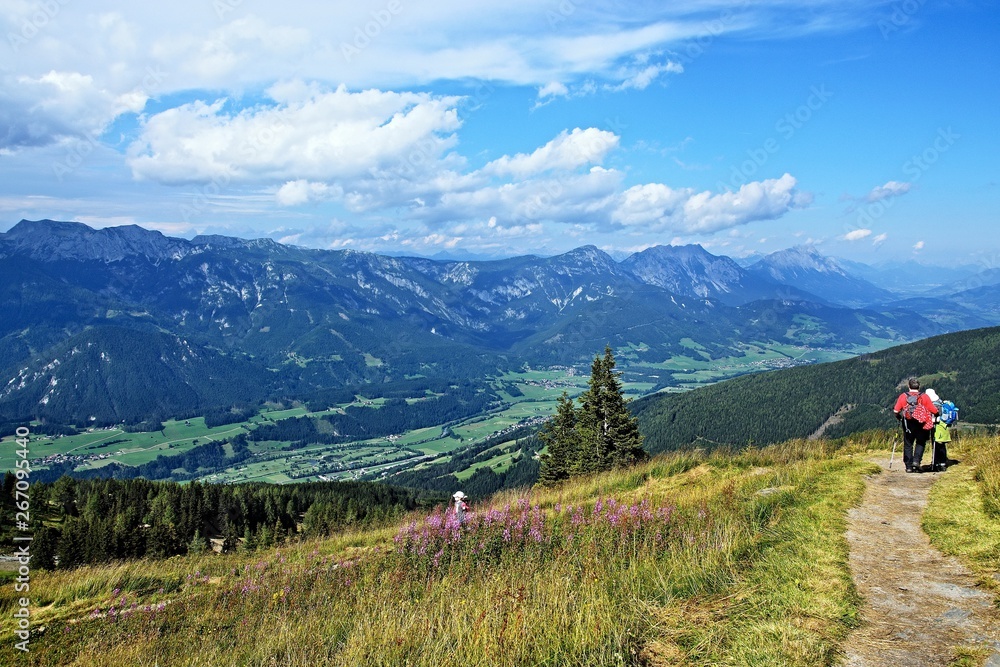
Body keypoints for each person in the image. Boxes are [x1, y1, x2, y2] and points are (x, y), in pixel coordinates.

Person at [893, 378, 938, 473]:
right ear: (919, 387)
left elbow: (896, 411)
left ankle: (908, 466)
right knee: (921, 442)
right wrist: (937, 415)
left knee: (908, 444)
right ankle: (916, 461)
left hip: (908, 423)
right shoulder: (924, 396)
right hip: (922, 423)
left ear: (909, 386)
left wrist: (899, 417)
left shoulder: (903, 396)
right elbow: (934, 410)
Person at [924, 388, 950, 471]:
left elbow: (935, 418)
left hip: (936, 426)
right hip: (943, 427)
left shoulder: (932, 404)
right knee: (941, 445)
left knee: (936, 444)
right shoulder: (940, 402)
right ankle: (942, 463)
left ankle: (936, 464)